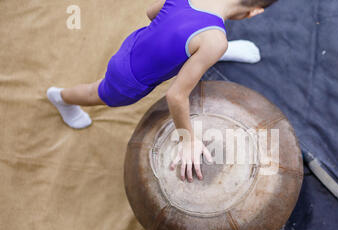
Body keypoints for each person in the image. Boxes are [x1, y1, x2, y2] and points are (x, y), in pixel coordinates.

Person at [47, 0, 278, 182]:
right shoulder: (214, 40)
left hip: (135, 44)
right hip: (128, 80)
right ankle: (61, 97)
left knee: (201, 45)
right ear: (254, 12)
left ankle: (200, 54)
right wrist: (187, 140)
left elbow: (152, 13)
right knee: (95, 92)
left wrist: (179, 39)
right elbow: (175, 96)